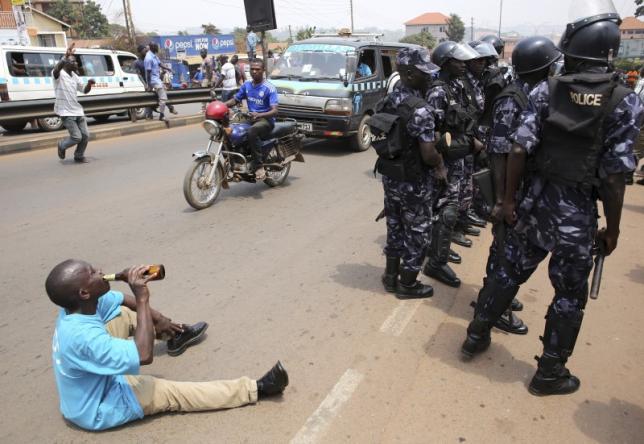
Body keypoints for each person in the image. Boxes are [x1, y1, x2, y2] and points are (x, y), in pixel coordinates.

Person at [462, 1, 644, 396]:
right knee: (569, 296)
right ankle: (549, 373)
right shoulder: (624, 101)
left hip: (533, 204)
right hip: (576, 215)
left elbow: (517, 149)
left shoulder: (548, 88)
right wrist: (612, 231)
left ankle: (475, 336)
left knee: (507, 272)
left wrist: (509, 202)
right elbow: (615, 179)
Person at [46, 259, 289, 431]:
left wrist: (161, 320)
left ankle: (176, 335)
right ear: (84, 293)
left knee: (122, 314)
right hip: (97, 407)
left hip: (94, 381)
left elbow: (123, 300)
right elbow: (143, 355)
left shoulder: (79, 307)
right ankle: (256, 388)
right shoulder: (81, 337)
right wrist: (143, 297)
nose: (99, 270)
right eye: (91, 273)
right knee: (170, 392)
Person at [377, 47, 445, 299]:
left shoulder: (388, 100)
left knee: (394, 227)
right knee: (418, 233)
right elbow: (428, 153)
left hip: (391, 177)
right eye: (422, 72)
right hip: (415, 182)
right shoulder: (421, 109)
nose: (428, 77)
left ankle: (390, 278)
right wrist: (439, 165)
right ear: (406, 72)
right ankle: (408, 284)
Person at [424, 41, 483, 288]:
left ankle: (440, 251)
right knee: (444, 210)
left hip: (459, 157)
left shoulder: (456, 85)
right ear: (447, 63)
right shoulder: (437, 92)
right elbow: (433, 133)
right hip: (445, 160)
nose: (464, 65)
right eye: (459, 61)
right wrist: (439, 166)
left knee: (451, 207)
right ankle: (435, 261)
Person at [224, 59, 278, 180]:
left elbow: (275, 110)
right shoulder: (247, 85)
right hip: (250, 118)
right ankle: (234, 161)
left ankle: (259, 166)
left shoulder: (269, 88)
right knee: (228, 130)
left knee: (252, 131)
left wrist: (260, 115)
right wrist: (222, 105)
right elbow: (235, 99)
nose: (254, 71)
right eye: (252, 69)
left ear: (263, 71)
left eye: (257, 69)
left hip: (266, 120)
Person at [53, 43, 95, 163]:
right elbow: (56, 69)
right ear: (66, 63)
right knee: (77, 137)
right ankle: (62, 145)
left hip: (77, 110)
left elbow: (84, 90)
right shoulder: (59, 75)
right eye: (73, 61)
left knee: (85, 135)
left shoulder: (75, 76)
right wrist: (65, 57)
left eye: (76, 61)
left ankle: (79, 155)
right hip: (66, 111)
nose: (76, 63)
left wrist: (89, 84)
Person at [144, 42, 177, 122]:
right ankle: (161, 115)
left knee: (163, 95)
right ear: (153, 48)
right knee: (163, 98)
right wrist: (149, 85)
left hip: (157, 79)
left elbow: (160, 64)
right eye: (156, 47)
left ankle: (169, 109)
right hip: (154, 80)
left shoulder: (154, 56)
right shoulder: (149, 58)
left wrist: (169, 69)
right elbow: (148, 73)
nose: (158, 48)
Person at [134, 45, 154, 119]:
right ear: (140, 52)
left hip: (153, 81)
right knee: (148, 98)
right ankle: (149, 114)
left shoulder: (149, 59)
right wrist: (145, 84)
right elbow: (139, 75)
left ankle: (170, 107)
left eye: (146, 50)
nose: (146, 51)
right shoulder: (137, 62)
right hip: (147, 83)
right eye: (144, 50)